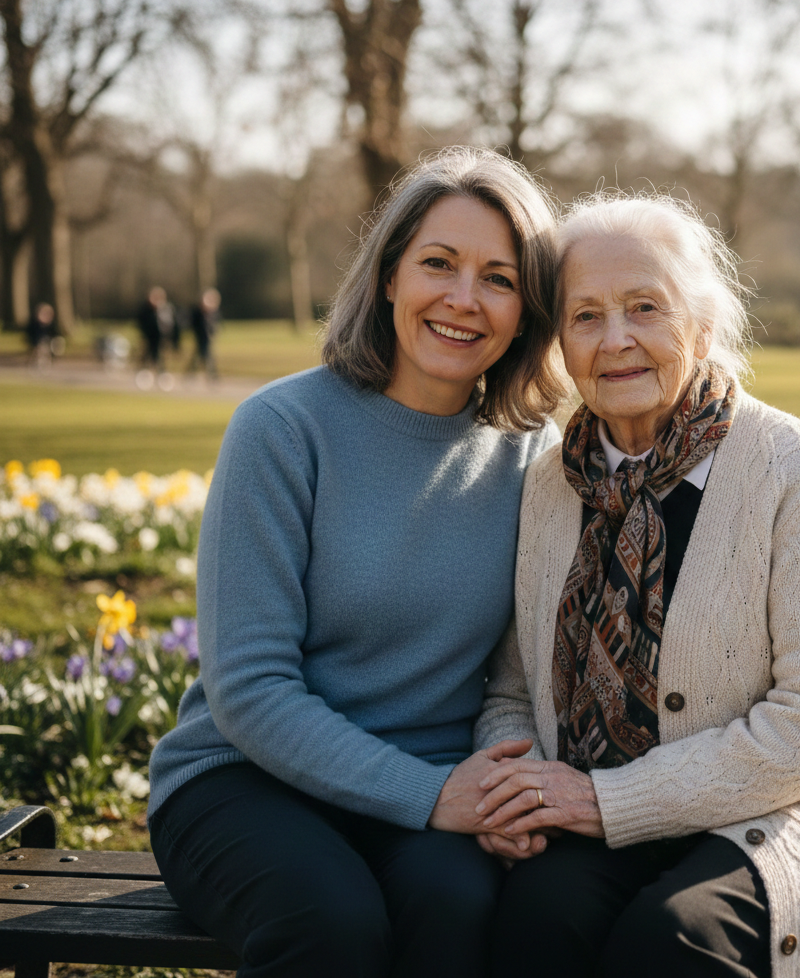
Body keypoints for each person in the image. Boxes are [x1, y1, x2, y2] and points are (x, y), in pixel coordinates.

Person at [472, 193, 800, 978]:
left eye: (645, 307)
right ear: (560, 343)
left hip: (783, 813)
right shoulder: (549, 486)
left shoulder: (793, 467)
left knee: (672, 940)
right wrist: (515, 793)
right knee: (534, 923)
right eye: (586, 316)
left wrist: (607, 803)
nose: (617, 340)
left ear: (704, 326)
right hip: (593, 811)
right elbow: (512, 689)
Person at [146, 147, 566, 978]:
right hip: (245, 778)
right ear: (388, 276)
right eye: (438, 263)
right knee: (330, 923)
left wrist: (501, 791)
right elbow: (249, 688)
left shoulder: (534, 458)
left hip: (435, 785)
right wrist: (429, 795)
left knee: (459, 908)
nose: (463, 298)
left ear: (526, 312)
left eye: (499, 278)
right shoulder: (281, 429)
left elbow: (519, 678)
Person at [187, 287, 221, 378]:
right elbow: (194, 324)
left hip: (208, 337)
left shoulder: (213, 313)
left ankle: (211, 374)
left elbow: (215, 325)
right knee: (203, 356)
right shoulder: (198, 312)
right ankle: (211, 374)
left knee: (205, 356)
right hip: (200, 337)